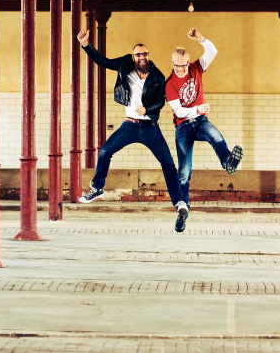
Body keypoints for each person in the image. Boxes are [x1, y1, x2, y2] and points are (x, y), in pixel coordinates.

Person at [76, 31, 190, 232]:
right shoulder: (124, 65)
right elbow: (103, 61)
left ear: (148, 55)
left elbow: (160, 102)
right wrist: (86, 45)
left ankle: (179, 203)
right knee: (105, 152)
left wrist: (147, 109)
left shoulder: (157, 76)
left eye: (144, 54)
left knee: (168, 164)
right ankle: (97, 188)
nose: (141, 57)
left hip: (149, 128)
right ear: (133, 57)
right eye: (138, 55)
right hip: (129, 125)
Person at [165, 28, 243, 207]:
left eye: (184, 65)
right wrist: (198, 109)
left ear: (188, 62)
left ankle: (228, 162)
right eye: (177, 66)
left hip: (200, 122)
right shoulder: (170, 83)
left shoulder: (196, 68)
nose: (181, 69)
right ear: (172, 64)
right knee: (184, 170)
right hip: (183, 128)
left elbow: (213, 52)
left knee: (215, 135)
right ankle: (182, 206)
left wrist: (201, 39)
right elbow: (179, 112)